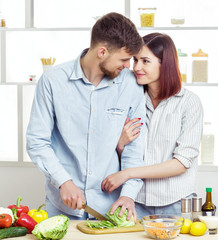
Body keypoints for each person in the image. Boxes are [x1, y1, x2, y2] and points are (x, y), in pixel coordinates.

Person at [26, 12, 146, 221]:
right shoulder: (52, 82)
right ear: (102, 52)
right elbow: (37, 142)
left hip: (110, 209)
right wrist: (63, 181)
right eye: (124, 59)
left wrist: (128, 195)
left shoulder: (130, 85)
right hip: (62, 207)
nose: (129, 66)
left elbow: (135, 148)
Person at [101, 33, 204, 218]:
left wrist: (127, 174)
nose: (137, 67)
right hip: (134, 202)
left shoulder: (189, 103)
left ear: (165, 65)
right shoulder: (132, 99)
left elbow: (181, 163)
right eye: (135, 60)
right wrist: (120, 144)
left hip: (176, 203)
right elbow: (109, 150)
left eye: (145, 61)